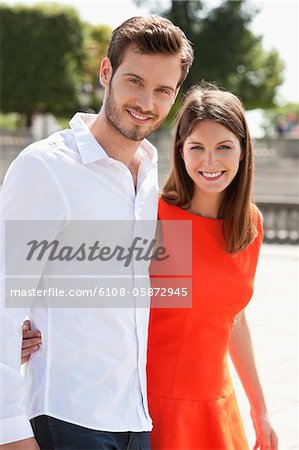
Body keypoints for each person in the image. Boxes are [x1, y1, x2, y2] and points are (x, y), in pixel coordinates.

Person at [0, 16, 193, 450]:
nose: (146, 101)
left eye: (163, 90)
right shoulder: (45, 167)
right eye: (134, 81)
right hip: (66, 417)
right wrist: (10, 432)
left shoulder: (149, 174)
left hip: (133, 418)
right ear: (106, 73)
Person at [146, 85, 278, 449]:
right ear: (179, 151)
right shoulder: (156, 218)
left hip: (219, 410)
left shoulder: (249, 225)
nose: (210, 162)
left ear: (242, 150)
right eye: (197, 148)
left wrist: (260, 408)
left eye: (223, 147)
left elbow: (231, 317)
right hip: (153, 409)